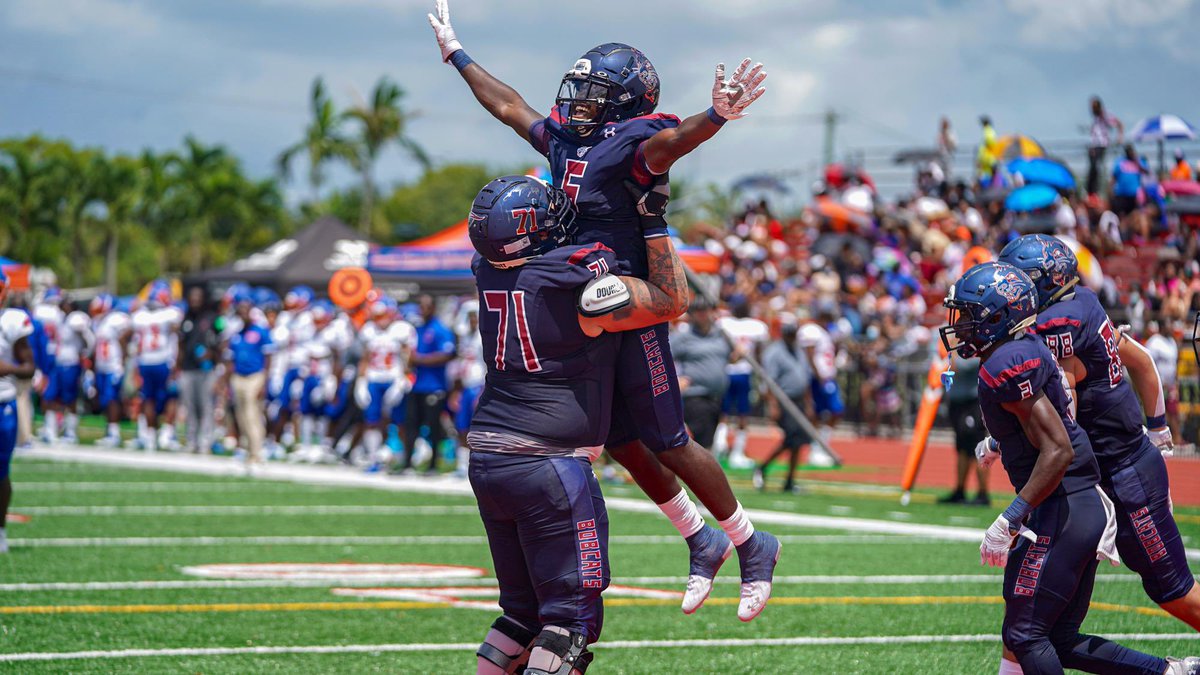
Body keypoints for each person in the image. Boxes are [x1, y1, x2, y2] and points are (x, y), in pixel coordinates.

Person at [429, 4, 780, 620]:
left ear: (625, 103)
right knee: (618, 437)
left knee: (667, 436)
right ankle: (700, 537)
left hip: (626, 295)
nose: (578, 102)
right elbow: (510, 107)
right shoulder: (568, 137)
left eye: (593, 94)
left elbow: (670, 145)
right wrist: (457, 54)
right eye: (579, 90)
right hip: (580, 285)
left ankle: (753, 543)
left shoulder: (630, 142)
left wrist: (716, 117)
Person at [465, 175, 688, 675]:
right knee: (570, 624)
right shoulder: (571, 275)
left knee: (521, 616)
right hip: (547, 461)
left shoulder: (485, 270)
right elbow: (672, 299)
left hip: (487, 456)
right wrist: (650, 224)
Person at [941, 261, 1196, 675]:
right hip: (1075, 500)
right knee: (1045, 635)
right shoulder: (1026, 345)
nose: (961, 326)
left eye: (970, 316)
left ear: (998, 316)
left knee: (1026, 633)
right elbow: (1056, 419)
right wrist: (999, 443)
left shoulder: (1008, 363)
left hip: (1066, 504)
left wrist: (1009, 517)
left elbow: (1058, 448)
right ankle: (1171, 672)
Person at [997, 235, 1200, 640]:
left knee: (1173, 589)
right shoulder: (1084, 302)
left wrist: (1008, 442)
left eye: (1019, 282)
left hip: (1122, 472)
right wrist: (1157, 431)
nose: (1013, 294)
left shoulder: (1058, 324)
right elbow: (1141, 362)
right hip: (1113, 468)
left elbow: (1063, 408)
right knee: (1053, 619)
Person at [754, 317, 814, 493]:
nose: (792, 337)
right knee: (792, 438)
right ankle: (762, 468)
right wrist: (773, 405)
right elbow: (768, 381)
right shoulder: (774, 352)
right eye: (789, 334)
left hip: (799, 400)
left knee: (799, 441)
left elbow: (804, 377)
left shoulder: (799, 351)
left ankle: (789, 480)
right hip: (784, 400)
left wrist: (809, 403)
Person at [356, 296, 415, 472]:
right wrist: (361, 380)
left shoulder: (402, 329)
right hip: (374, 378)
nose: (379, 320)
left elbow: (408, 356)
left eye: (382, 315)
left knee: (399, 421)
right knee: (372, 420)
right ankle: (374, 457)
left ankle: (404, 459)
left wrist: (404, 379)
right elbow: (365, 358)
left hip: (393, 378)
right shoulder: (368, 330)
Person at [0, 270, 36, 554]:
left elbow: (29, 368)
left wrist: (7, 369)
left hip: (3, 403)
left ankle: (0, 530)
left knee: (1, 472)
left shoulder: (12, 321)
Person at [399, 294, 455, 475]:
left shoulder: (440, 329)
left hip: (434, 385)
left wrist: (419, 360)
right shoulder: (418, 329)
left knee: (433, 426)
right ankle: (408, 463)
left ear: (432, 308)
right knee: (411, 424)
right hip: (417, 384)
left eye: (424, 307)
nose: (421, 310)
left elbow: (447, 354)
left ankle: (433, 465)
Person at [669, 298, 730, 452]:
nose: (703, 314)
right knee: (702, 445)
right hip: (696, 396)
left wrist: (738, 354)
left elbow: (725, 358)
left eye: (706, 310)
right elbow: (662, 358)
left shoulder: (721, 335)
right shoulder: (683, 337)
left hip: (717, 397)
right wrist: (675, 380)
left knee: (708, 443)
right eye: (698, 311)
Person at [715, 301, 769, 468]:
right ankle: (734, 452)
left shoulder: (724, 323)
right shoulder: (756, 326)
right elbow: (760, 354)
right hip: (741, 372)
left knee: (724, 412)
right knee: (741, 414)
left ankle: (720, 447)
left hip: (728, 371)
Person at [224, 291, 274, 470]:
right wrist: (226, 383)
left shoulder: (260, 332)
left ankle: (257, 452)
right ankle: (246, 450)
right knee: (241, 416)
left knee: (253, 415)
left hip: (255, 376)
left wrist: (265, 381)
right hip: (239, 377)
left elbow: (268, 357)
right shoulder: (236, 335)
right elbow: (230, 360)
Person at [131, 281, 181, 453]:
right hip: (163, 362)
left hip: (145, 361)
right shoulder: (170, 314)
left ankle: (150, 436)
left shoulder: (140, 316)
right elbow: (177, 330)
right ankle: (166, 435)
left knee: (148, 399)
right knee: (171, 398)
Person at [937, 345, 990, 506]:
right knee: (961, 448)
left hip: (971, 402)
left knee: (977, 447)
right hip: (957, 403)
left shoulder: (974, 348)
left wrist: (950, 353)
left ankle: (983, 493)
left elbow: (957, 367)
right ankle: (959, 490)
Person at [178, 286, 221, 454]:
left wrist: (213, 355)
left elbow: (222, 341)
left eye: (198, 297)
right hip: (188, 368)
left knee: (206, 406)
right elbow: (181, 344)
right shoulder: (186, 318)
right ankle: (191, 441)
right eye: (192, 297)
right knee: (190, 406)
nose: (195, 300)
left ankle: (205, 442)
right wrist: (177, 366)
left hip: (207, 369)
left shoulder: (213, 318)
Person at [90, 294, 131, 448]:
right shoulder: (99, 322)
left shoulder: (117, 319)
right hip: (102, 366)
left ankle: (114, 433)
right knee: (105, 400)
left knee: (113, 399)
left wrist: (123, 360)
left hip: (113, 366)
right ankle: (109, 431)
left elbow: (129, 330)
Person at [51, 296, 93, 444]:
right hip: (60, 362)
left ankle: (70, 431)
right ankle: (56, 428)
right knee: (56, 396)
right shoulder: (64, 318)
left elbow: (87, 338)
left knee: (70, 398)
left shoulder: (76, 318)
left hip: (71, 362)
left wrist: (85, 353)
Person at [32, 287, 63, 444]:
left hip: (39, 353)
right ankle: (50, 427)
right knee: (49, 391)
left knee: (36, 391)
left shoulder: (39, 310)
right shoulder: (58, 314)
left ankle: (45, 427)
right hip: (52, 354)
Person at [1143, 321, 1180, 440]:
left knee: (1173, 411)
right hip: (1157, 384)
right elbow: (1147, 362)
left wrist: (1176, 383)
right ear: (1163, 327)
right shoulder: (1154, 341)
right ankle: (1157, 439)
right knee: (1158, 413)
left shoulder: (1172, 342)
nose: (1170, 328)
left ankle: (1176, 439)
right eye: (1169, 326)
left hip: (1170, 385)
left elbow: (1175, 364)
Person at [1086, 96, 1123, 196]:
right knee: (1092, 170)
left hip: (1101, 145)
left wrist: (1119, 138)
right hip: (1094, 146)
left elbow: (1119, 123)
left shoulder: (1105, 115)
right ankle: (1090, 191)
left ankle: (1094, 191)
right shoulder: (1096, 119)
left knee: (1096, 168)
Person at [1111, 144, 1145, 218]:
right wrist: (1111, 191)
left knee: (1134, 216)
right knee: (1121, 216)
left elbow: (1146, 172)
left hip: (1135, 196)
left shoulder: (1138, 161)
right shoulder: (1120, 161)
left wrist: (1137, 161)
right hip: (1121, 195)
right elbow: (1113, 177)